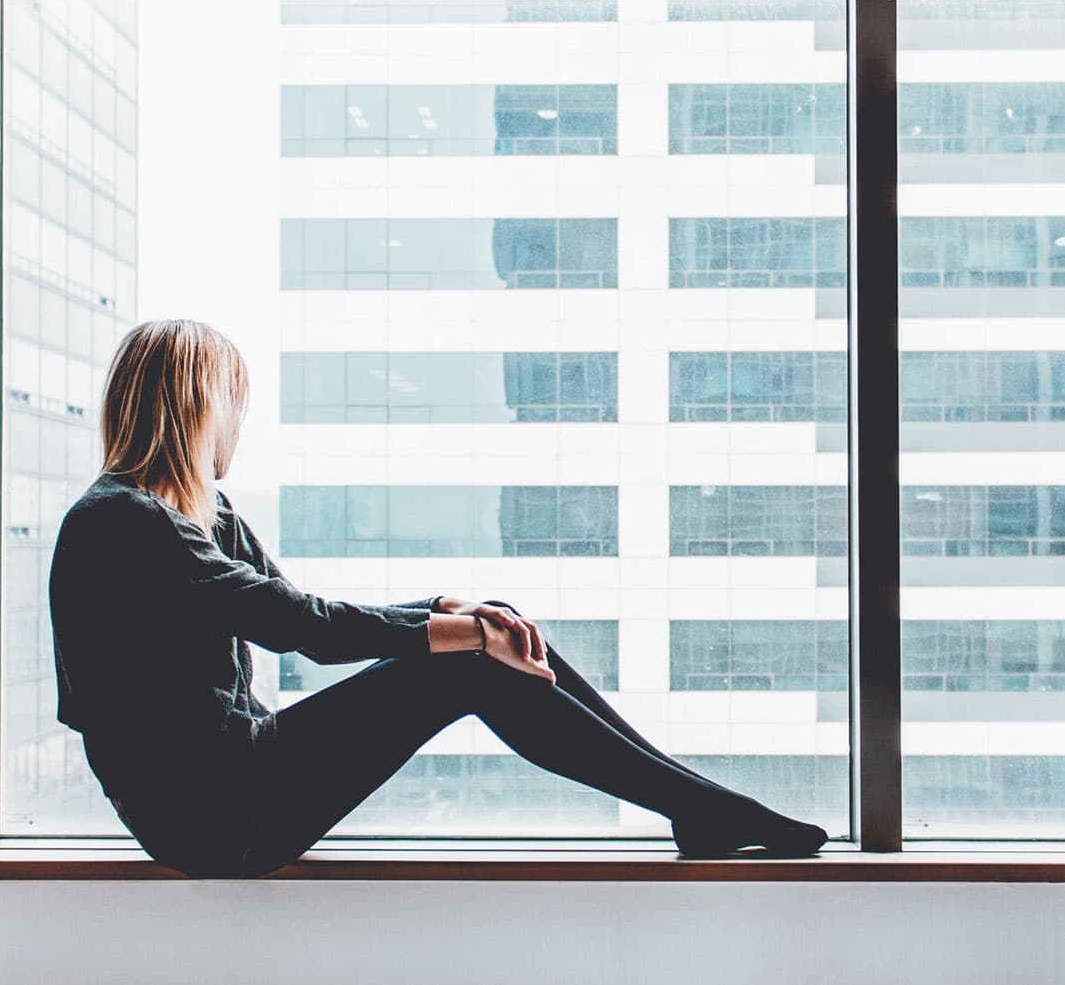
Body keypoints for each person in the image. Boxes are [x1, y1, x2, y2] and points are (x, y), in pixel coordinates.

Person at [48, 319, 828, 877]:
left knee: (486, 626)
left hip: (238, 781)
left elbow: (295, 605)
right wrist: (459, 632)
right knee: (471, 659)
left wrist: (458, 608)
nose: (240, 429)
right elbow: (301, 628)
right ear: (197, 409)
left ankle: (691, 801)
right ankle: (695, 804)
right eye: (235, 407)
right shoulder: (119, 521)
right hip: (213, 814)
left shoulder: (204, 517)